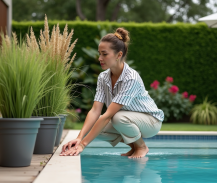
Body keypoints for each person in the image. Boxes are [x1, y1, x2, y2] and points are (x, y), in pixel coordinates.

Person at [60, 28, 164, 159]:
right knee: (99, 128)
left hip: (150, 121)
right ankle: (135, 146)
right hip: (127, 120)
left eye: (104, 54)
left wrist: (83, 145)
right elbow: (95, 111)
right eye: (99, 54)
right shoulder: (103, 77)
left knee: (117, 117)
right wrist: (79, 138)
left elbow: (108, 115)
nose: (100, 58)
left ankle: (141, 146)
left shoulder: (131, 77)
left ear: (119, 55)